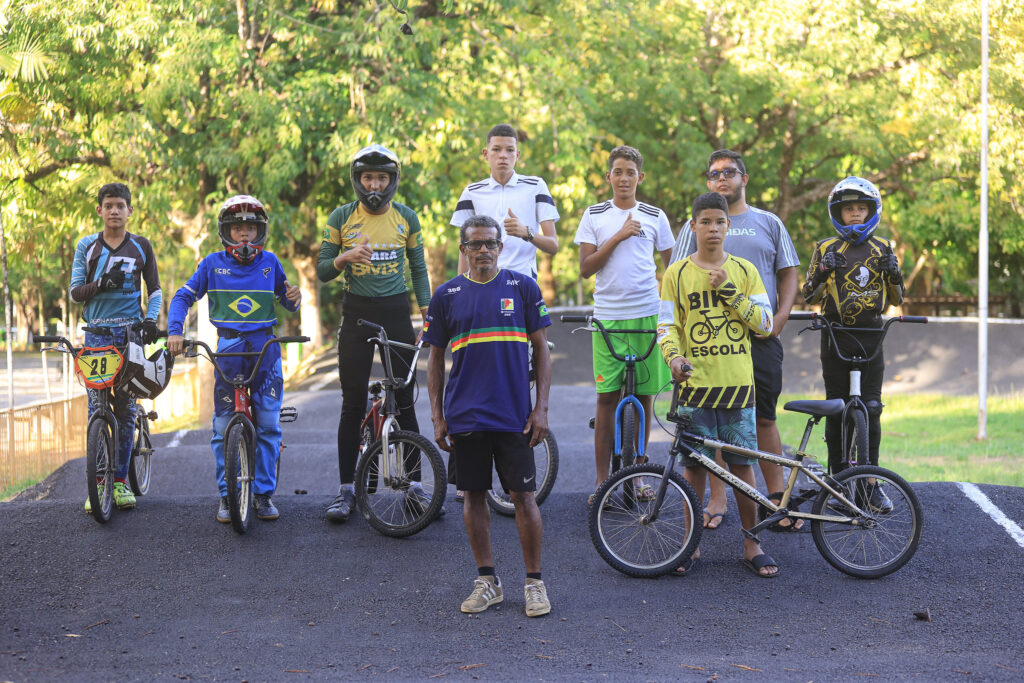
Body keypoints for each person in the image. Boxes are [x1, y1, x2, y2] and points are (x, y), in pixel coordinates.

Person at [424, 215, 553, 617]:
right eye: (475, 244)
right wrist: (437, 415)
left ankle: (534, 583)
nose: (483, 250)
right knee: (473, 495)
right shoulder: (446, 295)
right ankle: (487, 581)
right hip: (465, 416)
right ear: (463, 250)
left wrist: (541, 407)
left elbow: (543, 351)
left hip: (514, 415)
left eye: (490, 244)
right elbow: (435, 357)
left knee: (524, 497)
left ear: (501, 247)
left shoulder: (524, 287)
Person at [668, 149, 801, 532]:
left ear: (744, 178)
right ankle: (717, 496)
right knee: (711, 427)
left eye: (729, 172)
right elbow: (677, 279)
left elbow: (789, 271)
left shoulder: (768, 222)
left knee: (763, 416)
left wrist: (779, 319)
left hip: (759, 336)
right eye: (713, 174)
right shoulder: (692, 227)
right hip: (709, 343)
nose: (721, 178)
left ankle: (775, 498)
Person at [658, 192, 778, 577]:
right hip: (695, 389)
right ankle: (689, 545)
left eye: (719, 222)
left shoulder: (744, 270)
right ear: (692, 226)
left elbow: (764, 323)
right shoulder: (676, 274)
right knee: (693, 467)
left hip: (737, 387)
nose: (713, 228)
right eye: (705, 221)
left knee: (742, 467)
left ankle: (752, 543)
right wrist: (673, 358)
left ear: (729, 226)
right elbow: (667, 326)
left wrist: (729, 290)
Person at [167, 195, 300, 523]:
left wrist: (294, 298)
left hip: (266, 352)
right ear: (226, 231)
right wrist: (174, 331)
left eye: (251, 229)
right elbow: (183, 296)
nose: (244, 235)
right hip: (227, 352)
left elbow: (289, 301)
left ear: (260, 232)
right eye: (238, 228)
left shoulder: (271, 262)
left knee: (269, 425)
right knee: (223, 426)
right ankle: (227, 496)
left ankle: (263, 495)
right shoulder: (211, 263)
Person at [317, 144, 432, 523]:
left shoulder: (407, 218)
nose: (375, 185)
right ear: (357, 180)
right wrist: (344, 258)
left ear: (393, 181)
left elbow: (418, 266)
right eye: (368, 178)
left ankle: (415, 487)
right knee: (351, 404)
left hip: (397, 314)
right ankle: (346, 491)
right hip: (357, 316)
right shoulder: (341, 217)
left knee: (405, 399)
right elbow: (321, 271)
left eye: (382, 178)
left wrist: (427, 312)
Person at [573, 145, 674, 501]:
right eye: (618, 171)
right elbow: (585, 269)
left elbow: (672, 268)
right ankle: (603, 481)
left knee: (645, 396)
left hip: (646, 312)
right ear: (609, 177)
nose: (624, 178)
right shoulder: (595, 214)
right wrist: (618, 235)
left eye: (630, 172)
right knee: (606, 397)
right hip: (609, 317)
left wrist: (671, 310)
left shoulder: (654, 215)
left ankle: (638, 476)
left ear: (639, 177)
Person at [801, 177, 905, 512]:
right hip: (834, 336)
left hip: (872, 336)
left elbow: (896, 300)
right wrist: (820, 272)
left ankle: (871, 483)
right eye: (849, 209)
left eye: (862, 208)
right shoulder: (825, 247)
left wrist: (895, 275)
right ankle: (838, 481)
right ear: (838, 213)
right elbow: (809, 296)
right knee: (837, 408)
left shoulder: (884, 247)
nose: (856, 214)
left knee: (872, 408)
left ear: (872, 210)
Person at [70, 182, 162, 513]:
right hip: (95, 336)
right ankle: (98, 484)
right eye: (108, 205)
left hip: (130, 336)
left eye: (120, 205)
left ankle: (120, 481)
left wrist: (150, 321)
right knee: (97, 408)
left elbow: (156, 290)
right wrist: (98, 285)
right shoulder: (87, 246)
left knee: (124, 410)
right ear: (99, 210)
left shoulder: (141, 246)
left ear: (129, 211)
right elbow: (74, 292)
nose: (114, 210)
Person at [450, 123, 560, 279]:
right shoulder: (471, 192)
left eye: (510, 150)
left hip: (522, 283)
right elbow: (464, 248)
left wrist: (526, 233)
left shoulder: (536, 186)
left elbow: (553, 245)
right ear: (485, 154)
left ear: (518, 155)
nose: (503, 155)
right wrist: (461, 288)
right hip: (482, 284)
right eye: (496, 149)